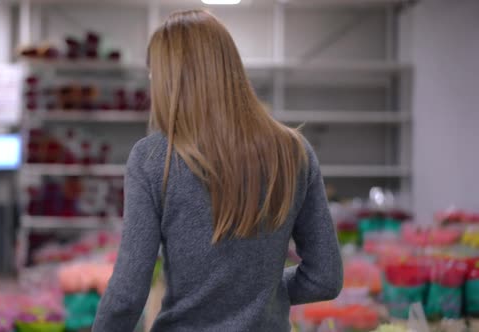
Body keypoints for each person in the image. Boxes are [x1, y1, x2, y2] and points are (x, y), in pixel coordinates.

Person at [93, 9, 342, 332]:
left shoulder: (154, 159)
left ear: (171, 81)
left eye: (154, 75)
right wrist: (261, 293)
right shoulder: (293, 152)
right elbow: (325, 278)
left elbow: (127, 296)